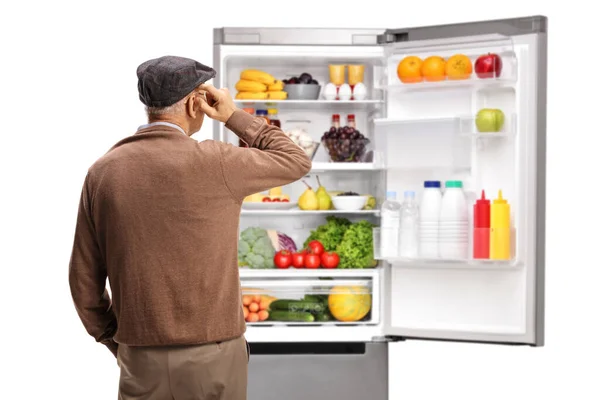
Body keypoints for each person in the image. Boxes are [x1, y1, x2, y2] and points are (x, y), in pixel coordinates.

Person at [68, 55, 312, 399]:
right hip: (214, 355)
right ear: (195, 102)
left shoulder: (103, 171)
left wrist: (117, 340)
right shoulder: (219, 161)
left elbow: (83, 278)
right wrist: (231, 115)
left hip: (140, 355)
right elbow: (296, 160)